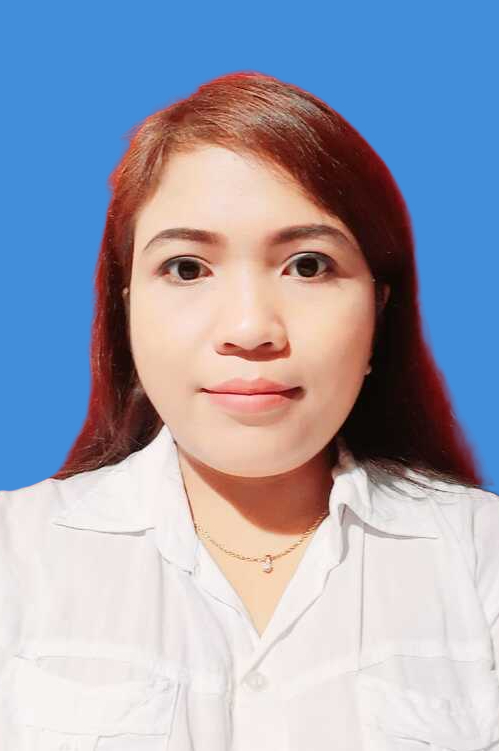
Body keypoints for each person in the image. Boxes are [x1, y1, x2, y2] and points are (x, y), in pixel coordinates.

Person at [1, 71, 498, 750]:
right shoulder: (18, 556)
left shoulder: (479, 558)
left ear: (379, 311)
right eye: (186, 268)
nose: (249, 328)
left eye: (308, 265)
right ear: (127, 309)